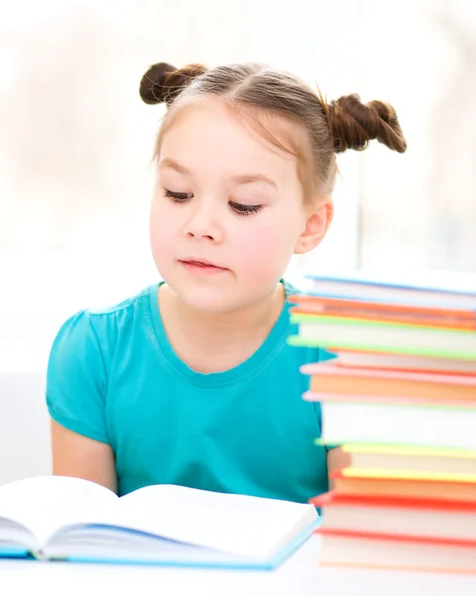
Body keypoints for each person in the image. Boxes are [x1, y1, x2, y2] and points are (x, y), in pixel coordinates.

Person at [46, 61, 406, 502]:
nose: (201, 226)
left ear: (310, 225)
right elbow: (78, 539)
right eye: (178, 193)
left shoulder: (346, 357)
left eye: (244, 204)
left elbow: (360, 548)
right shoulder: (93, 350)